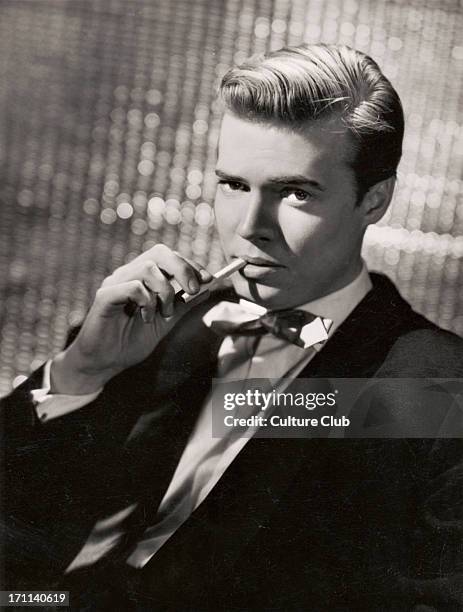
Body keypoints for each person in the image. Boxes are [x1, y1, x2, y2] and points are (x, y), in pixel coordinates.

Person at [2, 44, 462, 611]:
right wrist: (79, 372)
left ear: (375, 200)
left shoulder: (439, 389)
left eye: (296, 192)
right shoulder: (153, 323)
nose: (250, 228)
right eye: (234, 185)